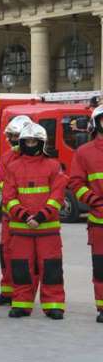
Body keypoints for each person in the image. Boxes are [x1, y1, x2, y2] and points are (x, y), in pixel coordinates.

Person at [3, 123, 67, 319]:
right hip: (21, 229)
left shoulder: (53, 166)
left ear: (42, 143)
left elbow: (57, 196)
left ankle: (54, 305)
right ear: (22, 143)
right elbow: (8, 197)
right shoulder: (13, 167)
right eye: (27, 141)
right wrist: (24, 216)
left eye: (34, 141)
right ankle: (21, 304)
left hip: (47, 229)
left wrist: (40, 217)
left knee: (51, 268)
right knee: (21, 268)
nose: (31, 145)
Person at [69, 105, 103, 323]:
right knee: (101, 268)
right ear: (96, 124)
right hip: (99, 221)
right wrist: (96, 201)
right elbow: (76, 183)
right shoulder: (84, 152)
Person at [0, 115, 33, 305]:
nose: (10, 140)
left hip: (30, 218)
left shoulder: (36, 157)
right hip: (9, 216)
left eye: (14, 136)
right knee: (6, 253)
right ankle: (7, 291)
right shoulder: (7, 157)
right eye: (9, 136)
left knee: (24, 258)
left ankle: (23, 294)